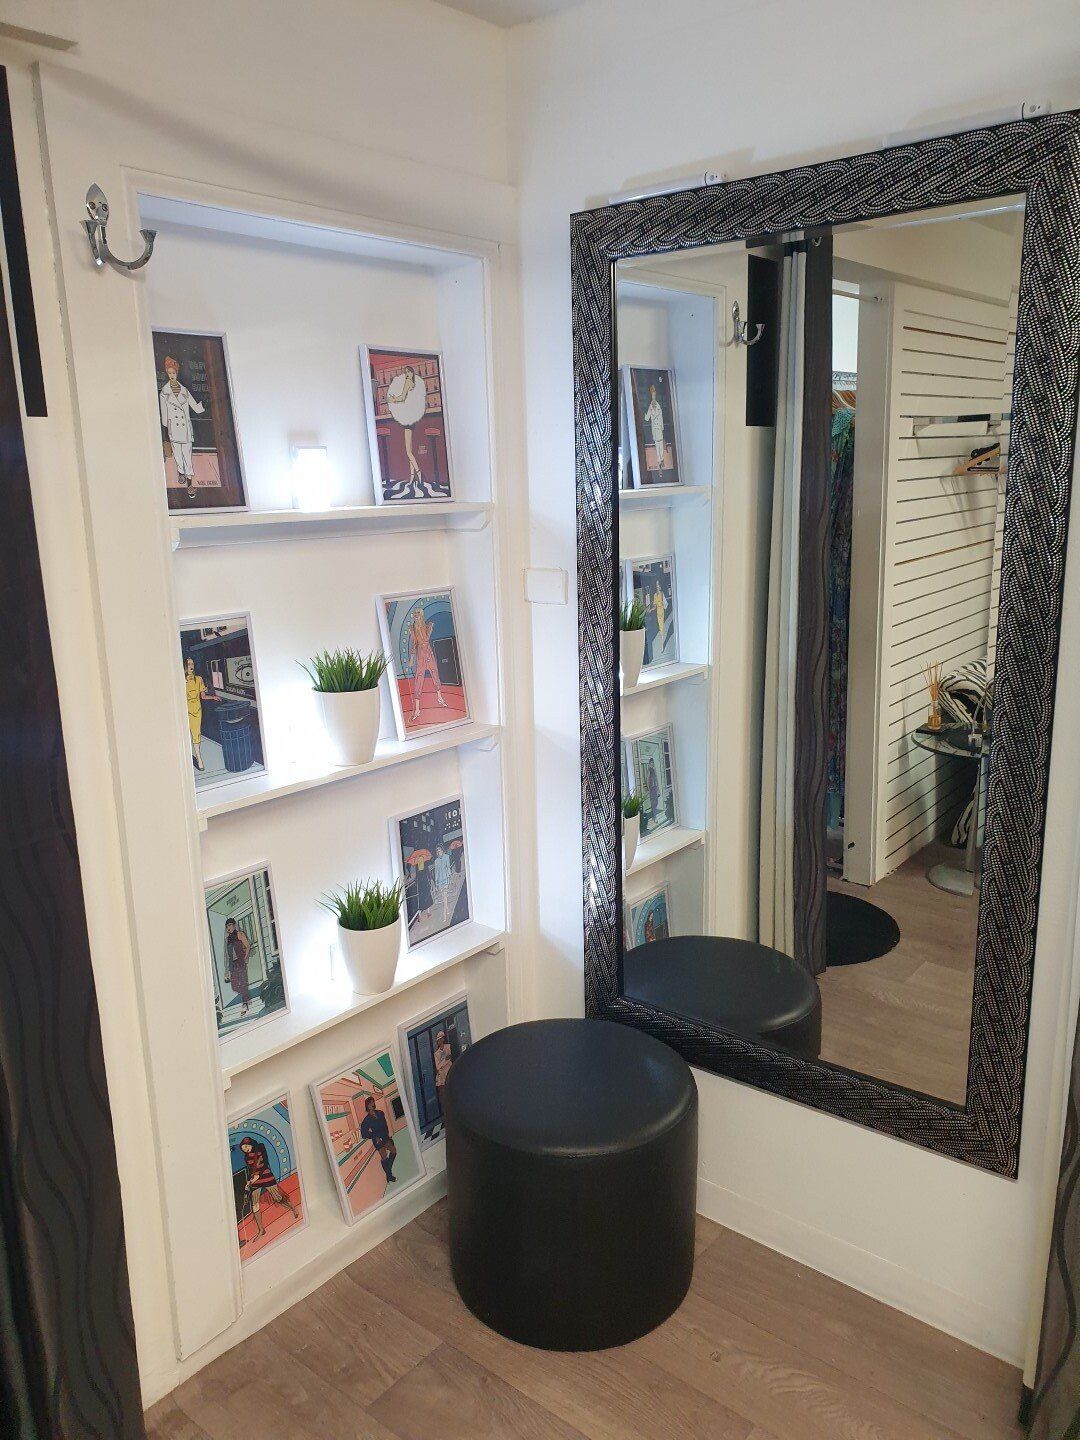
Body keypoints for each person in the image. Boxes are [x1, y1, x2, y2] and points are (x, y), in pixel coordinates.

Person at [159, 355, 205, 500]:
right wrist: (167, 432)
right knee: (178, 456)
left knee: (187, 456)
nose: (172, 375)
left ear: (177, 373)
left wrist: (206, 404)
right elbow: (164, 417)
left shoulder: (184, 390)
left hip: (185, 430)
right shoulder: (164, 393)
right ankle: (180, 472)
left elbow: (195, 407)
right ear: (167, 373)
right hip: (174, 429)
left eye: (174, 373)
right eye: (169, 373)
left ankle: (190, 483)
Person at [238, 1136, 298, 1244]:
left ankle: (292, 1208)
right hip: (255, 1180)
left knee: (278, 1198)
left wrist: (257, 1176)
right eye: (243, 1149)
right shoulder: (246, 1158)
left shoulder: (260, 1148)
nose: (245, 1150)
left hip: (266, 1176)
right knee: (254, 1204)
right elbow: (251, 1170)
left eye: (246, 1146)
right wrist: (249, 1181)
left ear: (251, 1143)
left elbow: (265, 1164)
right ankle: (261, 1230)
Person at [385, 364, 427, 490]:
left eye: (406, 372)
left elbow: (402, 398)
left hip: (407, 418)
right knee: (411, 451)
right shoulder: (415, 384)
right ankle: (412, 477)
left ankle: (419, 474)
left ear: (409, 373)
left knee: (408, 451)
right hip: (412, 417)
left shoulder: (408, 382)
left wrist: (393, 400)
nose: (406, 374)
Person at [406, 603, 447, 723]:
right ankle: (417, 710)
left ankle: (440, 698)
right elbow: (414, 644)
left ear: (422, 615)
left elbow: (425, 639)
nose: (416, 615)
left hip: (428, 652)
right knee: (419, 679)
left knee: (435, 674)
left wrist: (423, 628)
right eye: (415, 614)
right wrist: (412, 658)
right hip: (420, 655)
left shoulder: (428, 626)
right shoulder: (412, 629)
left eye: (419, 613)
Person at [184, 655, 220, 772]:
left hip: (196, 710)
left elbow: (203, 696)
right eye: (189, 664)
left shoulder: (198, 679)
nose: (191, 666)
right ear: (185, 666)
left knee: (196, 735)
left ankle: (199, 758)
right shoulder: (181, 680)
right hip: (183, 710)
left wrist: (213, 697)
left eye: (192, 664)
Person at [359, 1096, 397, 1185]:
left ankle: (388, 1173)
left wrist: (388, 1137)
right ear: (367, 1106)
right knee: (384, 1157)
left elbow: (385, 1125)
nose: (372, 1104)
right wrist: (373, 1136)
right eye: (369, 1103)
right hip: (377, 1140)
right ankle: (390, 1176)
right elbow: (364, 1134)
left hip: (385, 1137)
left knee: (394, 1151)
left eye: (373, 1102)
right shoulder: (367, 1120)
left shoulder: (380, 1113)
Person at [224, 917, 252, 1018]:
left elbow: (248, 945)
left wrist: (245, 958)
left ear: (234, 925)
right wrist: (226, 970)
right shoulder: (228, 939)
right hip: (233, 964)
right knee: (234, 986)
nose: (228, 928)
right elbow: (227, 956)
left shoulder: (240, 934)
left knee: (243, 983)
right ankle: (247, 997)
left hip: (240, 962)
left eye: (230, 925)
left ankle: (245, 1005)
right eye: (227, 926)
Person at [643, 382, 666, 478]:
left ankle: (661, 461)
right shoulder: (651, 406)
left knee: (660, 445)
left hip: (659, 428)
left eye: (654, 394)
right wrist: (645, 414)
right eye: (652, 394)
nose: (654, 396)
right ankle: (660, 463)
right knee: (658, 446)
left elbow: (661, 417)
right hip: (655, 429)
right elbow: (647, 418)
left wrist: (662, 427)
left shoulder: (658, 405)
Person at [429, 843, 454, 924]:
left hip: (445, 879)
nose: (438, 851)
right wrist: (436, 883)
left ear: (442, 850)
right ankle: (447, 910)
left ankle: (444, 916)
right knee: (444, 897)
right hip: (439, 881)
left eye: (439, 850)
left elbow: (448, 867)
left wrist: (450, 878)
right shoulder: (436, 861)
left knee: (445, 897)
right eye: (437, 850)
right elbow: (436, 872)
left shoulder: (447, 857)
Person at [433, 1028, 454, 1115]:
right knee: (443, 1094)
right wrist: (445, 1060)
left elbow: (450, 1059)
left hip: (449, 1072)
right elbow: (438, 1066)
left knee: (451, 1091)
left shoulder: (448, 1047)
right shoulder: (436, 1053)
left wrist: (443, 1062)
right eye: (438, 1040)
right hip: (441, 1076)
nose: (439, 1041)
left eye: (441, 1039)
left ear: (443, 1039)